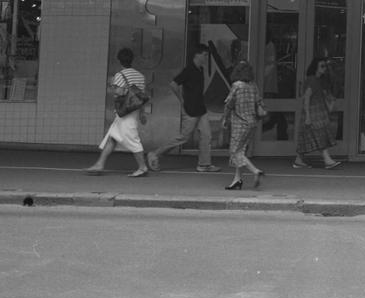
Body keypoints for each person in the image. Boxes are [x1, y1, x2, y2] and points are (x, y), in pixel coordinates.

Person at [146, 43, 221, 173]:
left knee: (206, 136)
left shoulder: (200, 70)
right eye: (204, 55)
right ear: (197, 55)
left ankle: (204, 164)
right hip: (190, 109)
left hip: (200, 109)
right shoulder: (189, 70)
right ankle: (155, 154)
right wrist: (182, 101)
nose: (206, 58)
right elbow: (173, 84)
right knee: (183, 137)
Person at [84, 48, 149, 177]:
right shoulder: (140, 76)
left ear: (119, 60)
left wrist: (113, 89)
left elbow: (118, 92)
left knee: (132, 139)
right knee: (112, 137)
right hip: (133, 111)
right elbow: (141, 97)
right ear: (132, 60)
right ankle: (99, 164)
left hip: (125, 112)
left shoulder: (119, 75)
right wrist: (142, 113)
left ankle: (142, 167)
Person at [221, 61, 266, 190]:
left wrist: (225, 118)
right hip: (252, 123)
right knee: (242, 150)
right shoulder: (253, 86)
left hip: (239, 124)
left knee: (235, 152)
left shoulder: (236, 86)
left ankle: (256, 171)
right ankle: (237, 180)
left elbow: (229, 103)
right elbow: (260, 102)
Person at [292, 57, 341, 169]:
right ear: (316, 68)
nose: (324, 68)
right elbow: (307, 98)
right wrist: (308, 116)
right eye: (322, 66)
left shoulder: (319, 81)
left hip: (318, 113)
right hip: (313, 113)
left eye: (325, 66)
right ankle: (327, 160)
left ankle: (299, 160)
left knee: (307, 137)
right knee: (320, 135)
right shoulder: (312, 80)